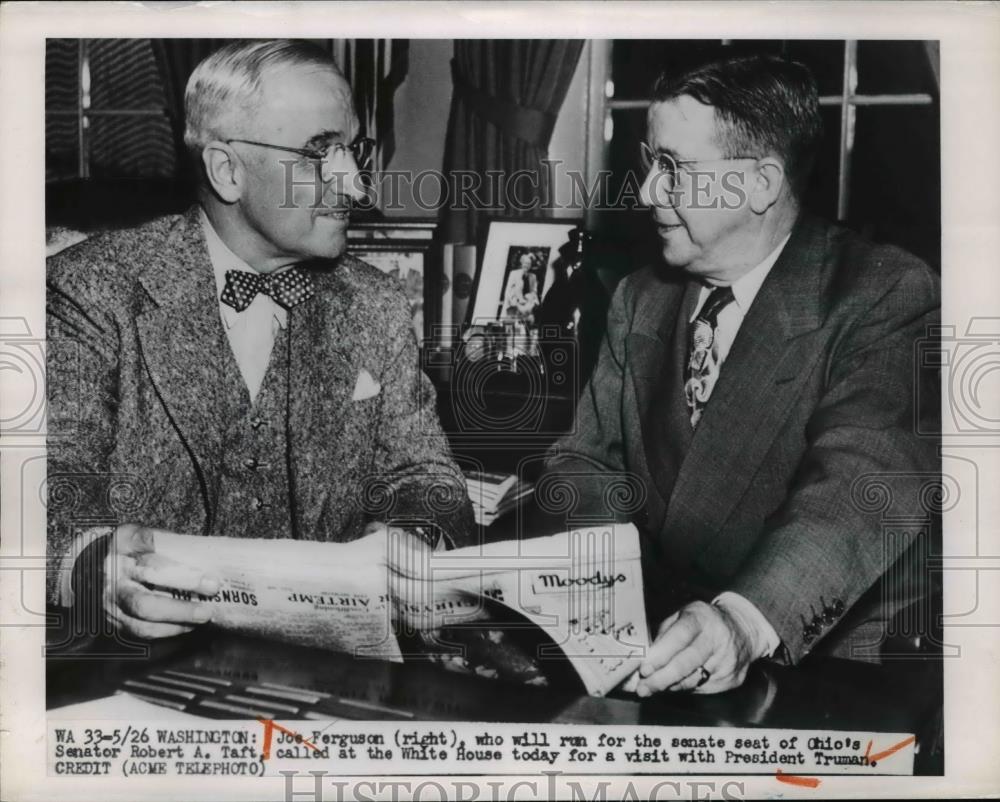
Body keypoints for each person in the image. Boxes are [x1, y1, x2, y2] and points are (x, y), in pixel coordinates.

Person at [46, 40, 474, 640]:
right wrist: (93, 567)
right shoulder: (90, 290)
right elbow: (48, 478)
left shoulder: (374, 304)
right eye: (319, 153)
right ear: (227, 170)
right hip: (135, 668)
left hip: (329, 675)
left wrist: (411, 534)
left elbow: (429, 476)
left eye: (353, 150)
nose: (353, 184)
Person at [541, 54, 940, 695]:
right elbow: (582, 467)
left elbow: (862, 484)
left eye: (674, 170)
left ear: (759, 184)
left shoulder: (883, 293)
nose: (646, 193)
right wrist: (608, 602)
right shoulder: (641, 296)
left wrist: (741, 622)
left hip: (830, 665)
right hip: (664, 645)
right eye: (651, 165)